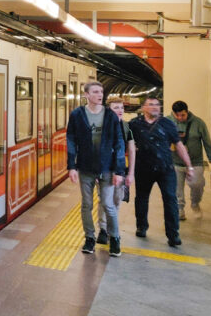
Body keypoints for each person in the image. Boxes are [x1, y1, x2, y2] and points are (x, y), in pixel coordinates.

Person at [66, 81, 126, 257]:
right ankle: (89, 238)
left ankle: (114, 238)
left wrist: (119, 170)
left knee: (108, 204)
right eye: (95, 92)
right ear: (86, 95)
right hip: (85, 167)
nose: (100, 95)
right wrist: (71, 166)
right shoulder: (77, 114)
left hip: (107, 167)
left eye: (101, 92)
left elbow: (119, 143)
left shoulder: (110, 116)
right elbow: (71, 140)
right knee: (87, 204)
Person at [129, 97, 194, 247]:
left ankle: (173, 235)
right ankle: (142, 226)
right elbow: (127, 144)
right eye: (151, 105)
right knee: (142, 198)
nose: (155, 107)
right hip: (143, 169)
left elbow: (179, 145)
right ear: (143, 107)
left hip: (165, 169)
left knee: (170, 199)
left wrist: (189, 165)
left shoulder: (167, 124)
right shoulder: (134, 124)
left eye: (157, 105)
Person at [97, 97, 135, 244]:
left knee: (117, 199)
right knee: (104, 200)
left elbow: (132, 151)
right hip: (103, 169)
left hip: (119, 170)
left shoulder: (126, 128)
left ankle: (112, 227)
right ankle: (103, 229)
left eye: (121, 108)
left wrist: (130, 173)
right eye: (116, 108)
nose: (120, 111)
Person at [170, 101, 211, 220]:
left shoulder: (198, 123)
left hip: (195, 162)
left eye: (183, 115)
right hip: (175, 162)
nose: (180, 118)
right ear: (174, 114)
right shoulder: (168, 122)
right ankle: (180, 209)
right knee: (176, 188)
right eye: (177, 115)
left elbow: (207, 142)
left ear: (187, 112)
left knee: (197, 184)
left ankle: (195, 203)